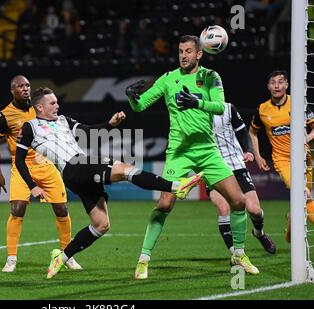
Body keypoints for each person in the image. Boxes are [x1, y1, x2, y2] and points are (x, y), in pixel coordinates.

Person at [15, 87, 203, 279]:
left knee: (101, 225)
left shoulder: (63, 120)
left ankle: (61, 258)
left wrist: (110, 124)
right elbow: (19, 160)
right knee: (123, 169)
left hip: (80, 169)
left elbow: (88, 131)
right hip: (74, 167)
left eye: (56, 101)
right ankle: (176, 187)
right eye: (52, 103)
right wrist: (33, 186)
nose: (57, 105)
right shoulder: (30, 127)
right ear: (39, 107)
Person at [126, 35, 259, 279]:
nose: (183, 55)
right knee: (165, 204)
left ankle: (239, 254)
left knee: (239, 202)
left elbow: (220, 106)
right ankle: (143, 259)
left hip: (208, 150)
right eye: (180, 51)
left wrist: (198, 102)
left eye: (188, 51)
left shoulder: (211, 77)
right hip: (179, 152)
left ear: (199, 54)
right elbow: (141, 105)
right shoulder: (168, 79)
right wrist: (132, 98)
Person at [0, 75, 82, 273]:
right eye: (20, 86)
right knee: (17, 208)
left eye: (27, 85)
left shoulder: (40, 108)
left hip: (46, 164)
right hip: (22, 166)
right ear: (12, 91)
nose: (25, 89)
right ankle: (11, 259)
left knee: (62, 209)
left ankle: (67, 255)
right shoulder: (4, 116)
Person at [249, 70, 314, 242]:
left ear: (286, 85)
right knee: (305, 195)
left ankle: (290, 231)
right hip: (282, 160)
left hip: (304, 158)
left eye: (280, 82)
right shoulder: (263, 109)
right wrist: (258, 155)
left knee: (301, 201)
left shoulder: (298, 103)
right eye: (273, 82)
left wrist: (305, 139)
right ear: (268, 87)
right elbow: (252, 132)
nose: (277, 86)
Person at [210, 102, 276, 255]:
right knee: (223, 208)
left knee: (254, 210)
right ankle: (236, 255)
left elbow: (242, 131)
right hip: (212, 167)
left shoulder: (228, 108)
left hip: (236, 164)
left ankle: (259, 233)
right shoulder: (194, 110)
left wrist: (247, 150)